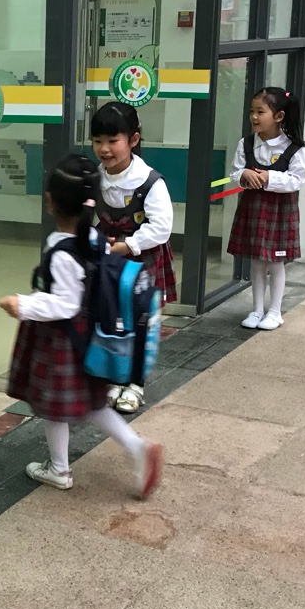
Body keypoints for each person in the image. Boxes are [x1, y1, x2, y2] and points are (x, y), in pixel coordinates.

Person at [0, 154, 163, 497]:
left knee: (53, 406)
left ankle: (59, 469)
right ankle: (136, 447)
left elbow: (65, 303)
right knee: (93, 403)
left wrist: (23, 305)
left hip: (61, 341)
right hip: (88, 338)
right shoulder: (95, 238)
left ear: (50, 201)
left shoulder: (61, 250)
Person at [91, 101, 177, 414]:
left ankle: (136, 384)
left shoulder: (149, 182)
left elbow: (162, 227)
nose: (104, 149)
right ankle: (116, 377)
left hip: (142, 264)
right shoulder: (95, 178)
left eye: (112, 141)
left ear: (133, 140)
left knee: (140, 324)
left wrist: (128, 245)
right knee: (111, 319)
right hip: (109, 263)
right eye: (98, 141)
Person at [228, 87, 305, 331]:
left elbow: (297, 180)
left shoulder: (293, 147)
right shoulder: (247, 143)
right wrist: (244, 174)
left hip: (279, 212)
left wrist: (269, 178)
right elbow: (235, 172)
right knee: (257, 261)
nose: (254, 117)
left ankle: (275, 312)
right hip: (253, 209)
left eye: (260, 112)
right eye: (252, 111)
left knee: (275, 262)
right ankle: (257, 310)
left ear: (279, 116)